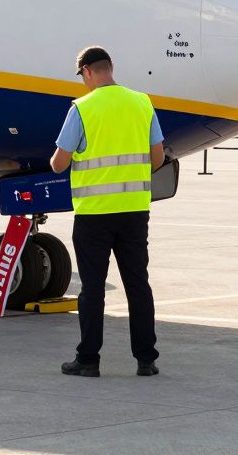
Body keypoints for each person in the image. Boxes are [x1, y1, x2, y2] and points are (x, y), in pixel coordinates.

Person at [50, 46, 164, 378]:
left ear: (86, 71)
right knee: (138, 284)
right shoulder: (142, 103)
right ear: (110, 67)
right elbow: (156, 159)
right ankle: (146, 359)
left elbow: (59, 164)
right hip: (133, 211)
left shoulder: (82, 108)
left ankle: (88, 360)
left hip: (94, 214)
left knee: (93, 288)